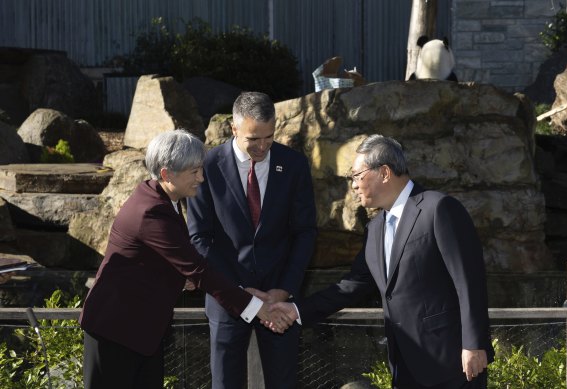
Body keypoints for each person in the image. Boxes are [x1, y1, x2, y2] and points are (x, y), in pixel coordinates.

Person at [267, 134, 494, 388]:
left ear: (384, 172)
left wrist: (474, 344)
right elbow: (351, 286)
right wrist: (296, 311)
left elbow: (469, 281)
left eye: (356, 175)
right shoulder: (375, 228)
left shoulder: (438, 208)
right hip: (404, 364)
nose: (353, 185)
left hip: (453, 363)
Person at [79, 129, 288, 389]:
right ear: (167, 174)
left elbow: (164, 262)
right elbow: (199, 269)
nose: (201, 178)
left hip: (141, 333)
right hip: (115, 332)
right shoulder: (151, 212)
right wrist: (257, 307)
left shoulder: (162, 198)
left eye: (201, 169)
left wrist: (182, 280)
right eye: (194, 172)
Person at [186, 92, 317, 389]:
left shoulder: (294, 164)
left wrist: (283, 289)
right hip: (227, 297)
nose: (261, 146)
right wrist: (240, 292)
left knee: (283, 381)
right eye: (253, 139)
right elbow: (199, 237)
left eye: (268, 137)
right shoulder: (206, 166)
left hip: (278, 298)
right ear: (234, 129)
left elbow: (306, 232)